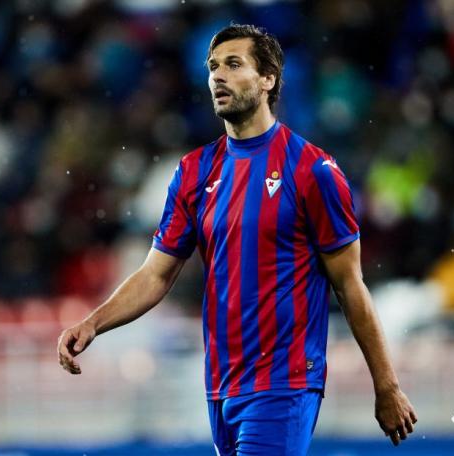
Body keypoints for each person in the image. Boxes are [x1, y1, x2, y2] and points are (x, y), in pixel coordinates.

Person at [57, 24, 417, 455]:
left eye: (233, 64)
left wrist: (387, 386)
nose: (218, 77)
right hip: (221, 384)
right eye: (212, 67)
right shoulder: (193, 172)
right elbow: (155, 274)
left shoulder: (312, 170)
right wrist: (93, 323)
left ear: (268, 79)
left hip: (285, 381)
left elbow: (350, 286)